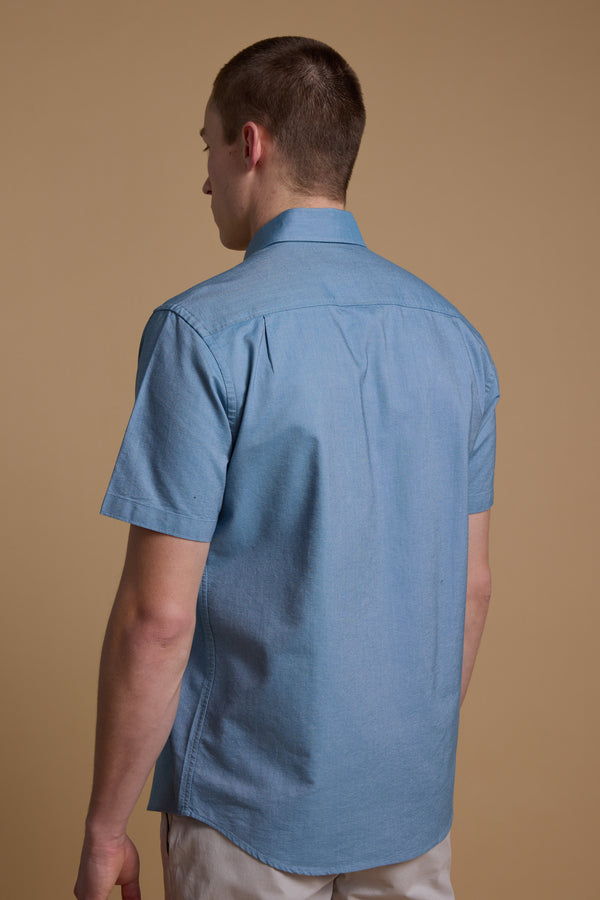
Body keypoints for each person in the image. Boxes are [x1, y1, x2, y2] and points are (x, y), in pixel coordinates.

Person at [74, 36, 498, 900]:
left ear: (251, 144)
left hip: (245, 813)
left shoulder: (202, 333)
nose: (204, 180)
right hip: (409, 811)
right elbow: (473, 586)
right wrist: (404, 766)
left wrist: (104, 831)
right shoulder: (456, 339)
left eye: (207, 147)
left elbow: (157, 619)